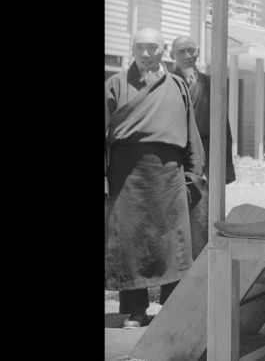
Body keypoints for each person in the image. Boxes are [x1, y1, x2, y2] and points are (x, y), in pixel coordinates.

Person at [105, 28, 206, 328]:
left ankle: (170, 307)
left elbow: (191, 135)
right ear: (132, 49)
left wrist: (192, 174)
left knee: (172, 243)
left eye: (152, 47)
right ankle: (135, 310)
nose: (146, 54)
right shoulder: (115, 84)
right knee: (130, 243)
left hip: (169, 178)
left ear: (164, 50)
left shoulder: (177, 85)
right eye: (140, 47)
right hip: (127, 178)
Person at [169, 35, 236, 258]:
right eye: (182, 52)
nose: (188, 56)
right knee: (175, 215)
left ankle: (204, 264)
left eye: (192, 50)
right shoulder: (165, 84)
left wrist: (225, 166)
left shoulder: (211, 83)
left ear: (198, 53)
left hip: (207, 157)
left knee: (204, 214)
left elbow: (223, 125)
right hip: (176, 158)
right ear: (172, 55)